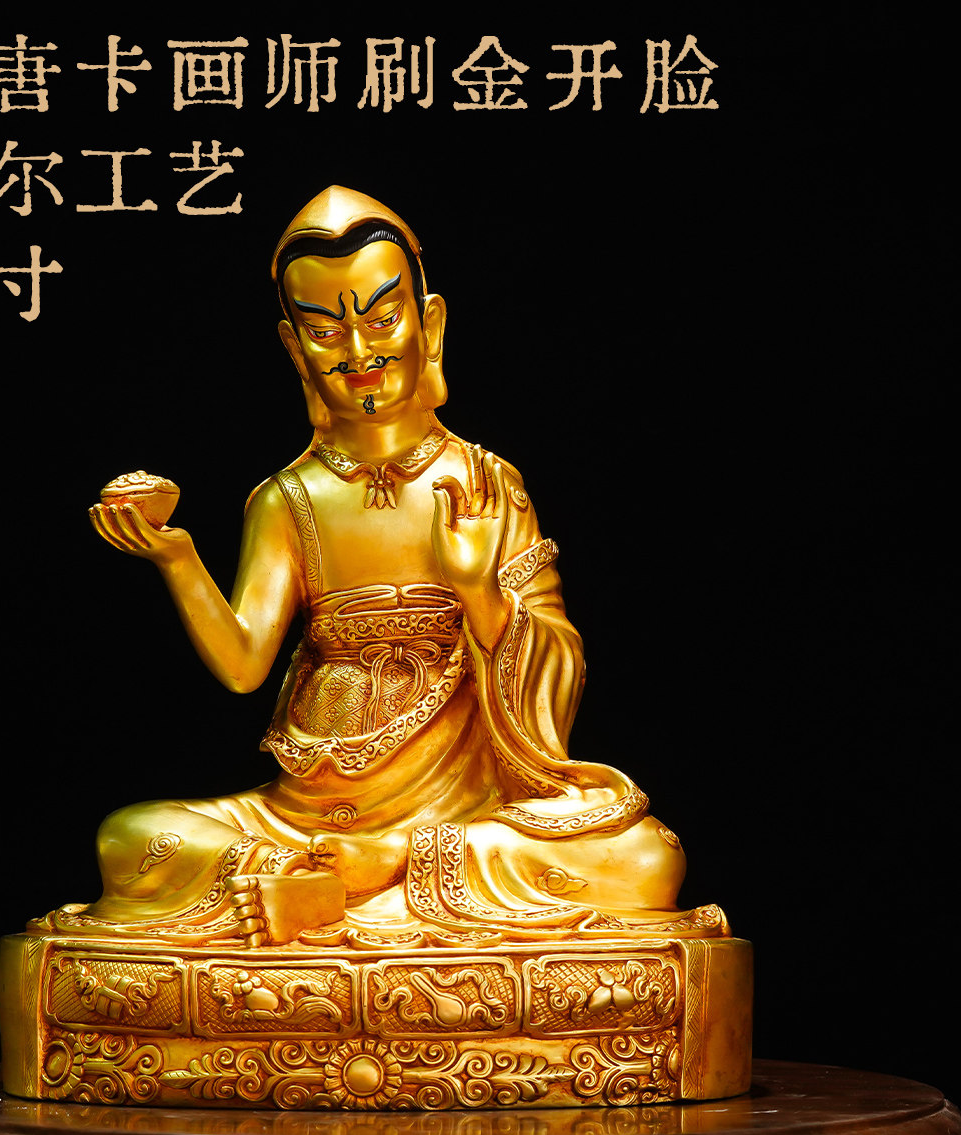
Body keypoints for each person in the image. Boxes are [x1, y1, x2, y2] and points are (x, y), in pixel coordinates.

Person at [78, 186, 727, 949]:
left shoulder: (486, 483)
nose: (359, 352)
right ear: (294, 348)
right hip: (300, 816)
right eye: (326, 331)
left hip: (457, 815)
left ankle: (369, 877)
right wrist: (178, 558)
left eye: (383, 319)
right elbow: (245, 665)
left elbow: (558, 679)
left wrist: (481, 592)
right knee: (130, 839)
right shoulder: (287, 499)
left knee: (644, 857)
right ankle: (329, 884)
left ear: (431, 324)